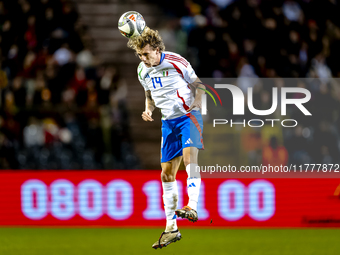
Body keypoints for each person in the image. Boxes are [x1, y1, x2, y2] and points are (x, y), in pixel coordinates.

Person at [127, 27, 205, 249]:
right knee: (166, 175)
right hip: (168, 123)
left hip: (189, 116)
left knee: (190, 160)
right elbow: (149, 95)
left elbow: (199, 84)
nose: (143, 59)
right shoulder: (143, 70)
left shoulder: (175, 60)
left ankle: (192, 206)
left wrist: (198, 100)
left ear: (157, 49)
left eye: (146, 54)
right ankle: (171, 228)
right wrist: (148, 110)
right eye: (140, 55)